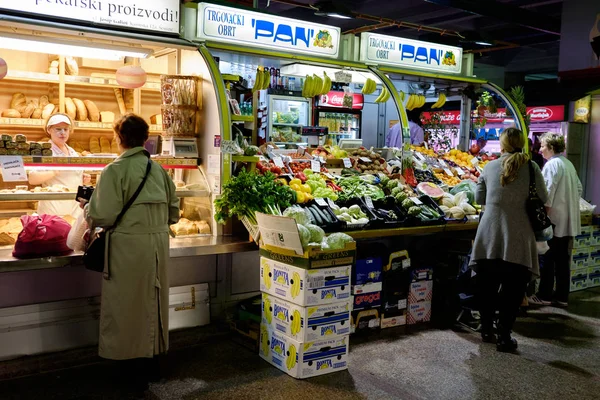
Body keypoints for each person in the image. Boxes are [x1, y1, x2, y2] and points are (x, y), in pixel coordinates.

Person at [81, 114, 180, 388]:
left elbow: (102, 214)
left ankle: (128, 371)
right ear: (145, 139)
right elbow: (174, 212)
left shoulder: (114, 170)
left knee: (126, 306)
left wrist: (86, 207)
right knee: (153, 302)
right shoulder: (158, 170)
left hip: (126, 248)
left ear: (119, 138)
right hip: (158, 245)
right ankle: (152, 365)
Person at [470, 127, 548, 352]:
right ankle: (504, 336)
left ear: (502, 145)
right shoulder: (532, 168)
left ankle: (486, 329)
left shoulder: (489, 166)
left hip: (489, 235)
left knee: (487, 286)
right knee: (513, 291)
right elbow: (543, 197)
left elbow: (479, 198)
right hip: (519, 236)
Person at [530, 133, 582, 307]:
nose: (540, 149)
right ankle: (561, 296)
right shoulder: (568, 164)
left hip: (554, 220)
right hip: (567, 219)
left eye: (543, 145)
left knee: (547, 258)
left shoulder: (552, 165)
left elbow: (547, 194)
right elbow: (579, 188)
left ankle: (544, 295)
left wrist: (542, 218)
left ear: (551, 147)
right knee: (562, 260)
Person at [28, 113, 90, 217]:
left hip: (74, 210)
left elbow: (71, 177)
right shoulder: (45, 151)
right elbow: (32, 179)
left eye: (66, 129)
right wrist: (53, 172)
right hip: (53, 211)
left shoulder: (72, 152)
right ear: (49, 130)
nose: (63, 133)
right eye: (58, 129)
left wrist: (82, 178)